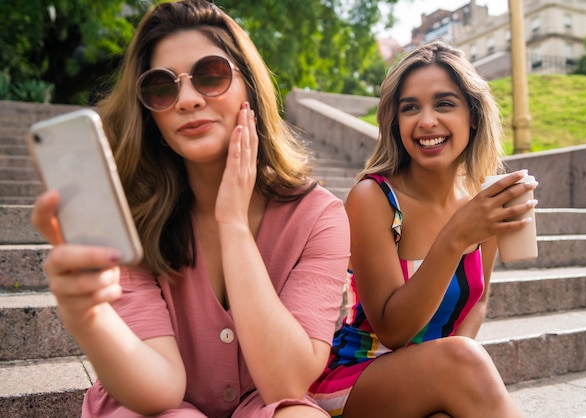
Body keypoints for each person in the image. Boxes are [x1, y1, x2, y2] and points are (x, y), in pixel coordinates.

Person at [31, 1, 350, 417]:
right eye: (161, 87)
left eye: (210, 76)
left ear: (250, 86)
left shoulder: (319, 217)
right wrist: (86, 314)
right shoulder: (132, 215)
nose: (186, 100)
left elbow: (285, 384)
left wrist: (233, 225)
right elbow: (160, 392)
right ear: (151, 115)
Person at [309, 40, 532, 417]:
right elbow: (393, 331)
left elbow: (477, 303)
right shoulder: (373, 198)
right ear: (396, 121)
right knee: (461, 362)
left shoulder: (483, 201)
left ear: (473, 115)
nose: (426, 121)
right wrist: (456, 236)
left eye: (444, 104)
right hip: (357, 376)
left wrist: (447, 375)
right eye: (410, 108)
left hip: (433, 372)